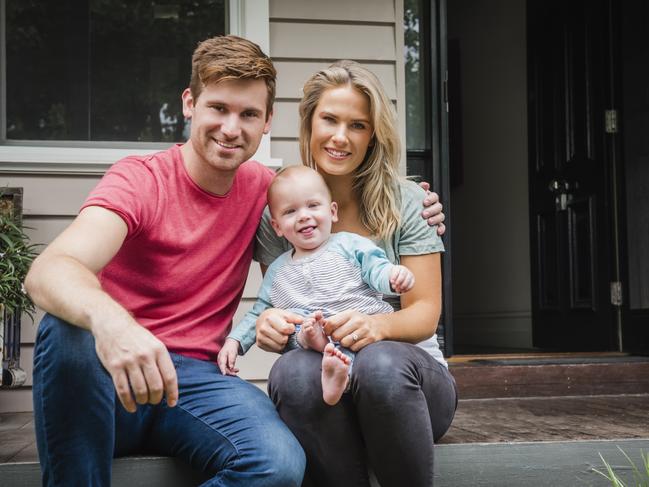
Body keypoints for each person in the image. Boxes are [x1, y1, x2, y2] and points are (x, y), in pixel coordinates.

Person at [24, 35, 307, 486]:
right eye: (218, 108)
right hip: (110, 376)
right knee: (67, 330)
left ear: (268, 120)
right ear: (189, 103)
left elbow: (334, 219)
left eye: (249, 114)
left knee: (278, 464)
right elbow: (49, 270)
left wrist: (414, 204)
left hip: (196, 386)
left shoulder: (265, 190)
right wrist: (116, 325)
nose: (232, 128)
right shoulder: (141, 180)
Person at [253, 60, 458, 487]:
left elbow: (425, 314)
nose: (341, 137)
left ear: (373, 134)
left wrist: (375, 325)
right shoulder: (281, 212)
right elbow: (284, 311)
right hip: (326, 387)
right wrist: (273, 327)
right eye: (329, 119)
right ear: (309, 123)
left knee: (380, 364)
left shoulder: (407, 201)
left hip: (409, 386)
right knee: (290, 372)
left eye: (358, 125)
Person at [218, 165, 416, 406]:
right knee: (300, 321)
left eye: (313, 206)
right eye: (290, 211)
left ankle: (338, 369)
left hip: (359, 327)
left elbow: (376, 268)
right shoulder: (278, 270)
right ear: (277, 227)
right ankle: (326, 355)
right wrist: (235, 341)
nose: (303, 215)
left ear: (332, 211)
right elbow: (261, 311)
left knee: (356, 342)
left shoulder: (349, 245)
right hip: (314, 334)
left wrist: (394, 276)